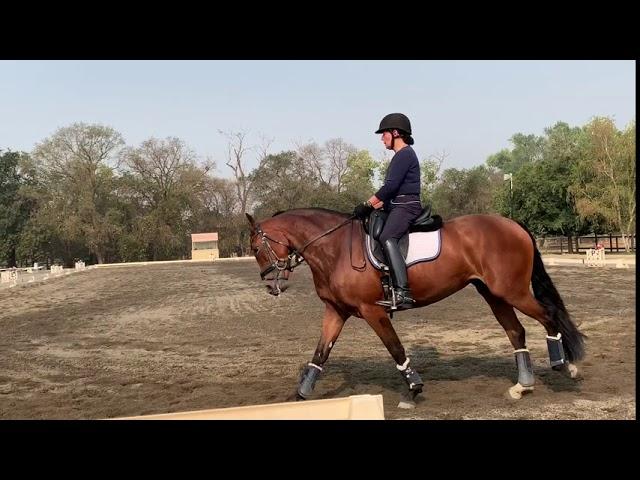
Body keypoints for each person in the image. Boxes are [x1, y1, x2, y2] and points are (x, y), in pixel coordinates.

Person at [353, 113, 422, 310]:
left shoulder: (405, 154)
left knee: (387, 236)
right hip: (396, 205)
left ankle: (403, 292)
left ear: (395, 132)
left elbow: (390, 187)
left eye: (384, 133)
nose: (381, 138)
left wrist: (367, 203)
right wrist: (372, 208)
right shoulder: (400, 156)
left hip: (407, 206)